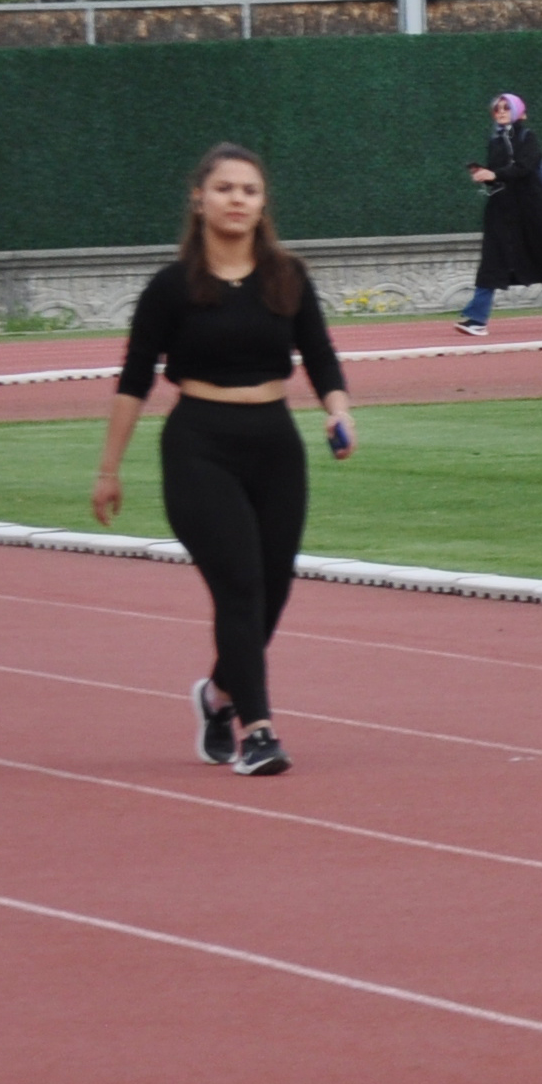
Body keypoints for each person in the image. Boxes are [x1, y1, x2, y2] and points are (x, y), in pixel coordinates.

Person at [92, 143, 355, 776]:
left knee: (272, 591)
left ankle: (217, 697)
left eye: (250, 191)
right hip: (198, 444)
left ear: (263, 205)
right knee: (238, 583)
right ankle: (257, 731)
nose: (238, 200)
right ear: (199, 198)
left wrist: (338, 410)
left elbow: (319, 356)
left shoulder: (287, 276)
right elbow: (134, 380)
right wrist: (109, 469)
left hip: (275, 443)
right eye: (225, 189)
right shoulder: (170, 287)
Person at [457, 93, 542, 335]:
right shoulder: (494, 141)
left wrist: (494, 175)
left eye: (507, 108)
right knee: (492, 260)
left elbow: (525, 167)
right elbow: (500, 174)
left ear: (518, 112)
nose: (501, 112)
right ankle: (477, 319)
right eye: (497, 109)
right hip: (502, 211)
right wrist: (484, 175)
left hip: (532, 211)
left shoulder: (527, 137)